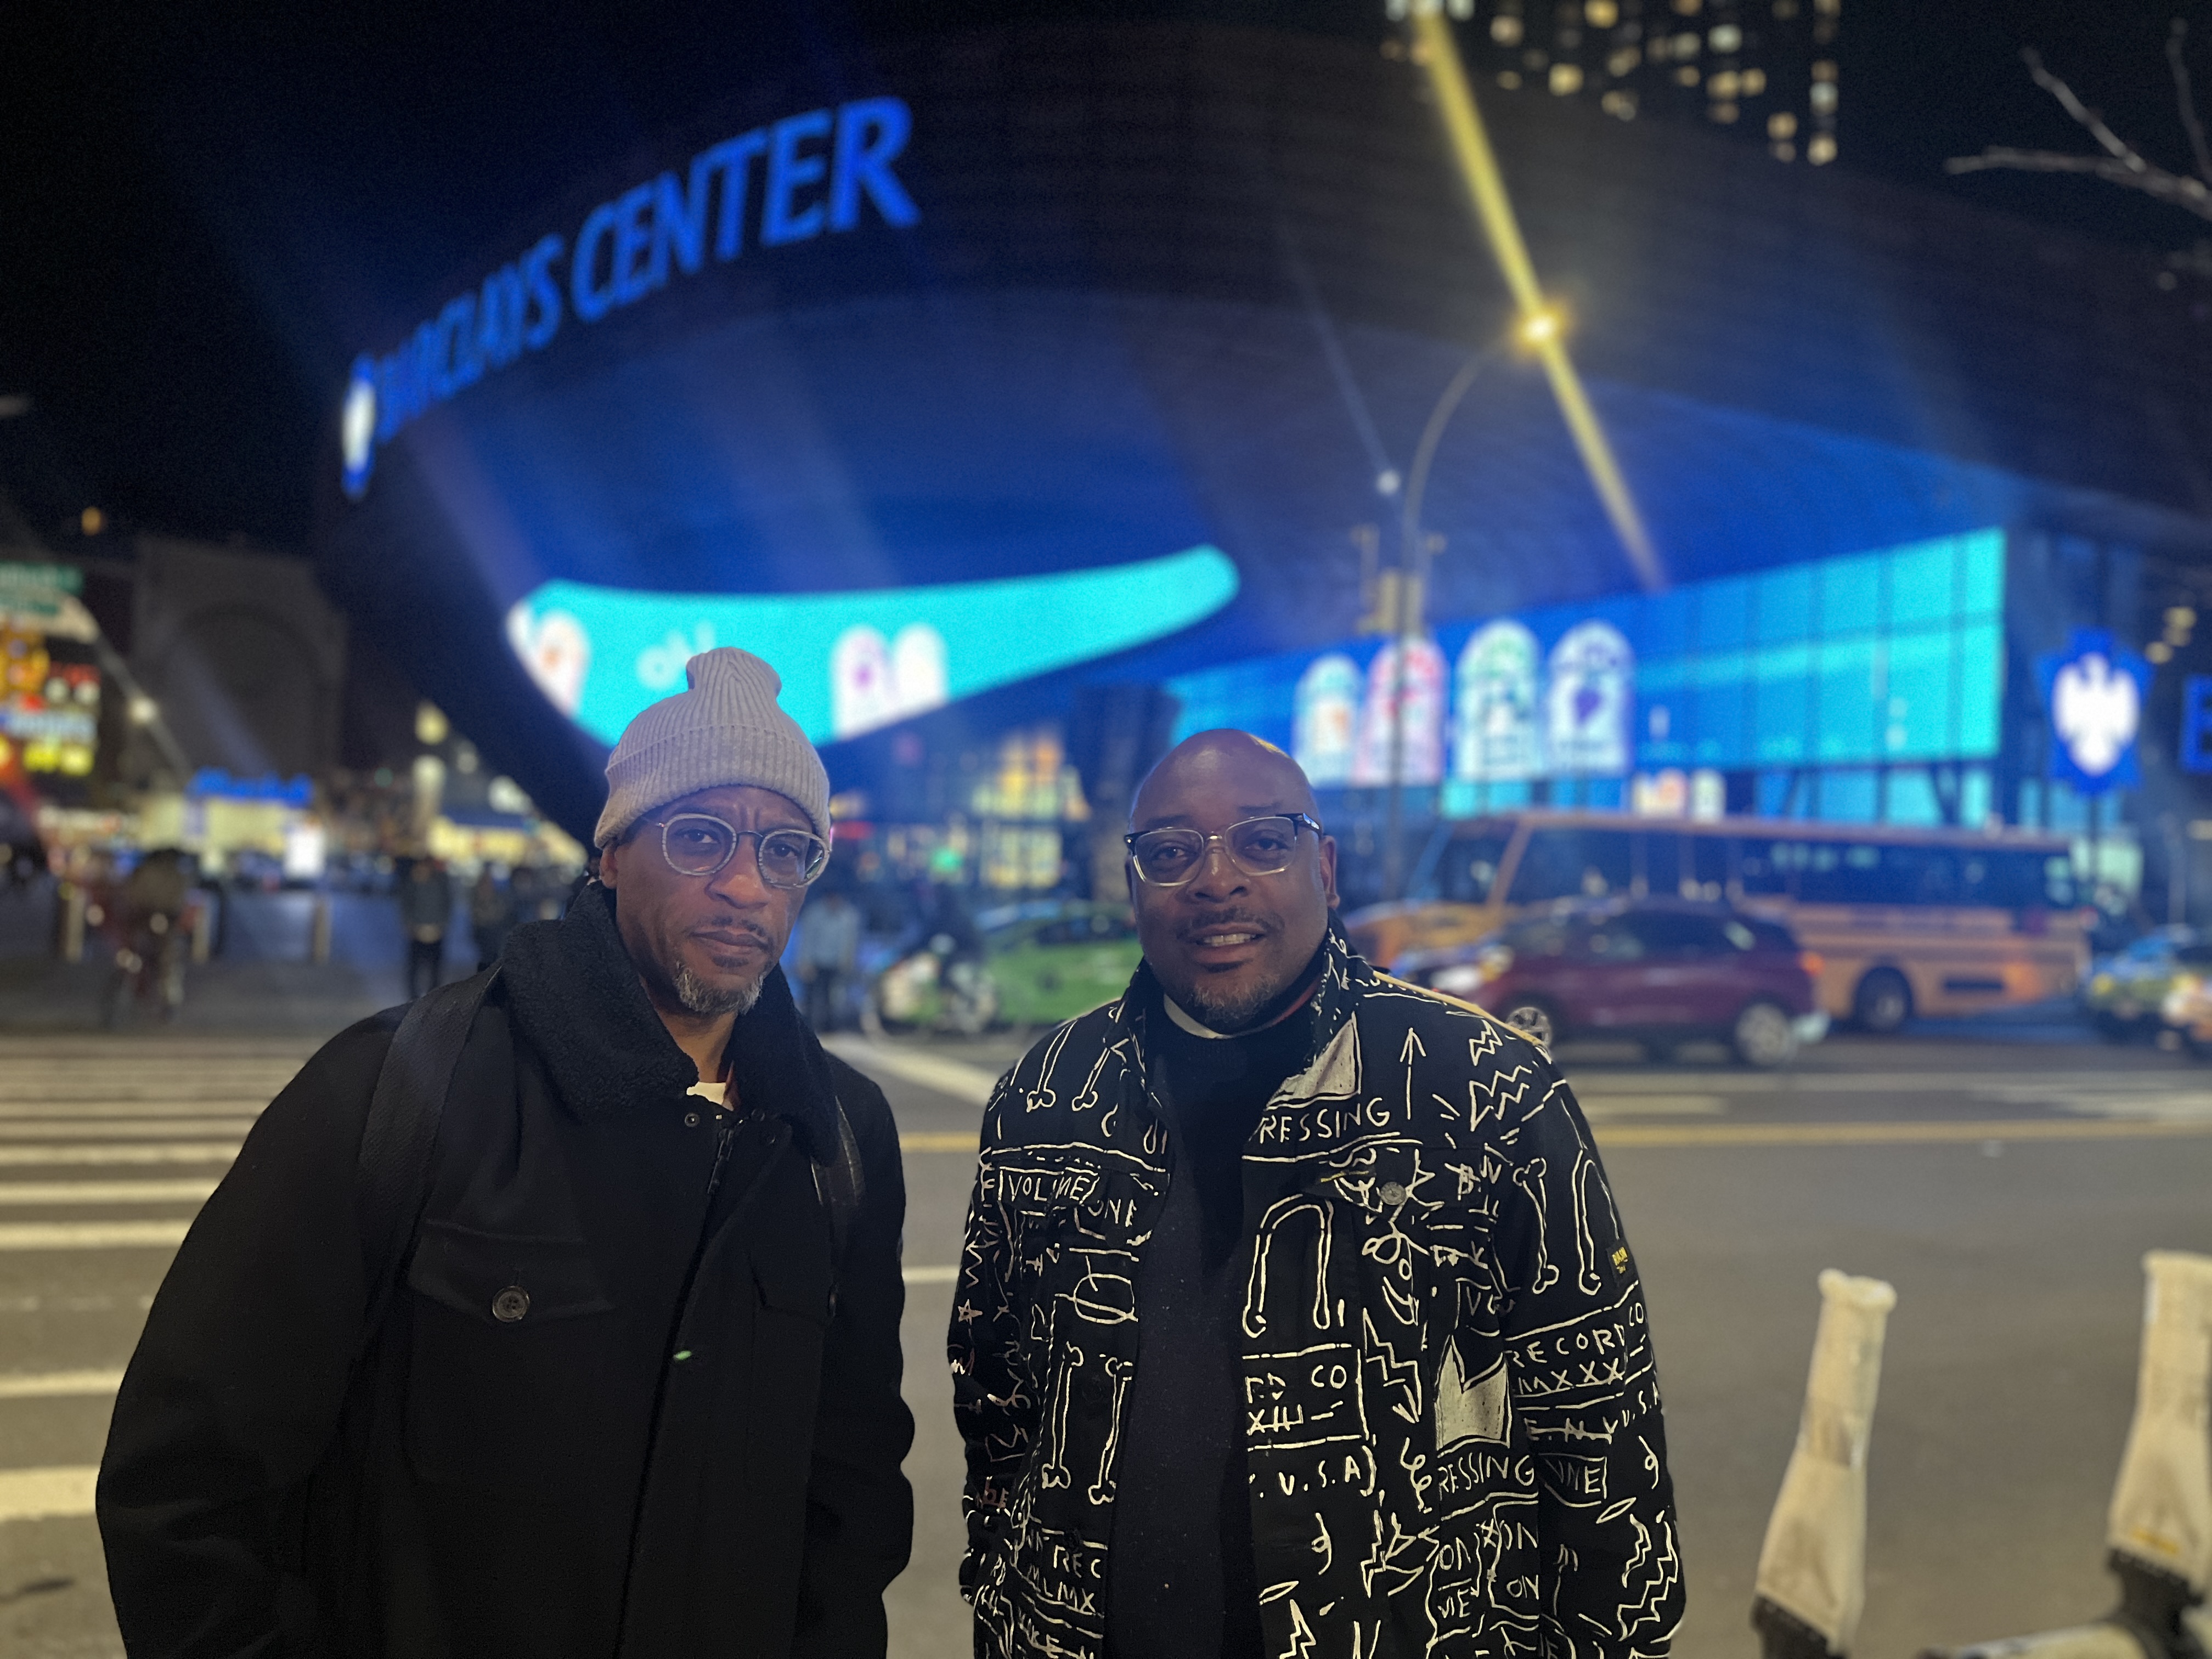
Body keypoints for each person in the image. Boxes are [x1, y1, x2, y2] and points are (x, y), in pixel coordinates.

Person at [100, 647, 914, 1659]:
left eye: (788, 849)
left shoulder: (838, 1135)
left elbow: (853, 1485)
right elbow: (187, 1484)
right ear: (612, 851)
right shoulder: (399, 1086)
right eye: (701, 834)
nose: (747, 883)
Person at [950, 730, 1682, 1659]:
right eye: (1171, 851)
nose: (1216, 878)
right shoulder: (1045, 1093)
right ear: (1132, 883)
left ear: (1324, 867)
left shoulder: (1485, 1087)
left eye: (1262, 840)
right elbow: (996, 1396)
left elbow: (1598, 1414)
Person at [795, 884, 861, 1031]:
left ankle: (829, 1027)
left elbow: (850, 941)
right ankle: (808, 1027)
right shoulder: (814, 913)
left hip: (835, 963)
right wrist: (805, 962)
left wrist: (848, 961)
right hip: (815, 962)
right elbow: (807, 939)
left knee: (831, 997)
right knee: (811, 997)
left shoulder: (849, 915)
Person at [399, 855, 453, 997]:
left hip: (435, 931)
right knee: (414, 968)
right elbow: (406, 904)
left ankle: (433, 996)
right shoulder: (413, 882)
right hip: (418, 931)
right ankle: (413, 998)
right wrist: (409, 924)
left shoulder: (440, 881)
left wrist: (443, 924)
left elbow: (447, 903)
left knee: (435, 968)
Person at [469, 864, 515, 970]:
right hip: (484, 935)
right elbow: (478, 917)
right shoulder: (476, 901)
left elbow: (503, 914)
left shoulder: (499, 898)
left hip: (496, 936)